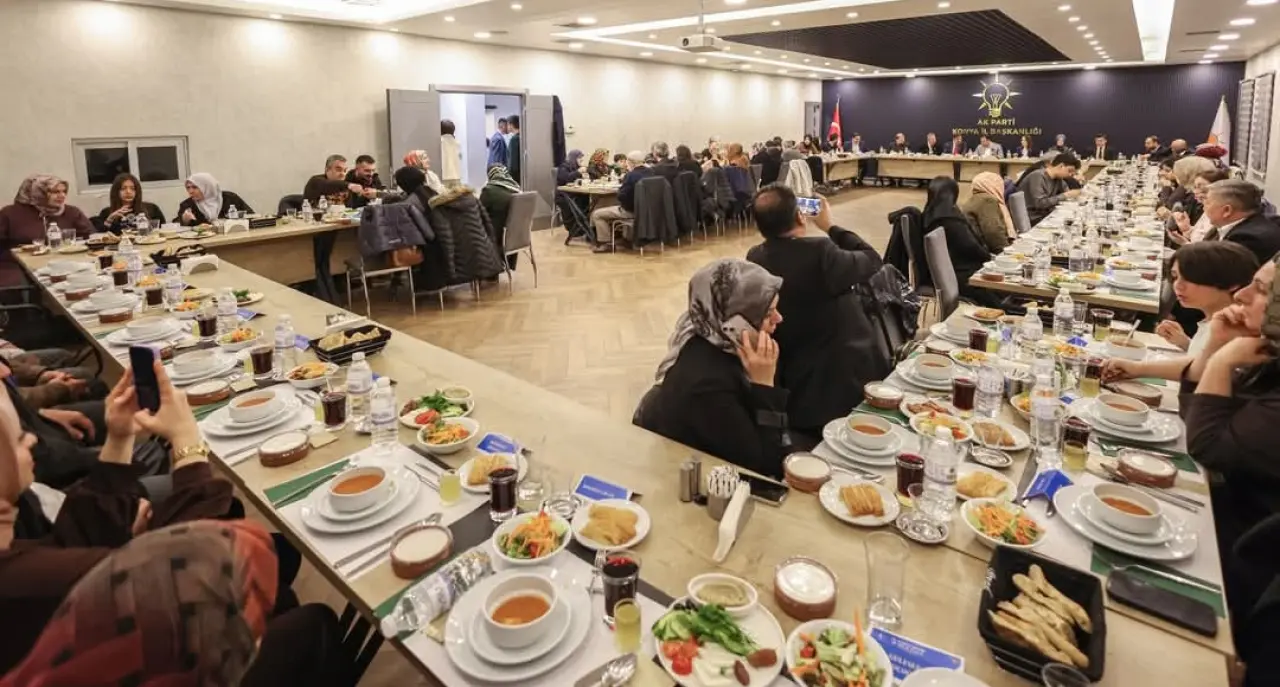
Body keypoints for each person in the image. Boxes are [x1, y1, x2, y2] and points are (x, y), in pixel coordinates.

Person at [0, 364, 238, 673]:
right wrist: (187, 442)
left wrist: (120, 437)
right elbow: (204, 570)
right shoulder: (24, 584)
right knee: (299, 616)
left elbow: (67, 542)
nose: (32, 439)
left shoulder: (18, 545)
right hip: (177, 656)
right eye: (18, 438)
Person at [745, 187, 884, 437]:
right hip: (842, 379)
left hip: (793, 380)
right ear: (800, 216)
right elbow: (872, 259)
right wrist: (830, 226)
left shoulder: (755, 258)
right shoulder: (822, 252)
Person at [633, 259, 790, 478]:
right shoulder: (707, 386)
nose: (779, 319)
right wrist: (765, 386)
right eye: (767, 314)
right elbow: (768, 465)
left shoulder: (723, 343)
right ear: (734, 323)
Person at [1104, 244, 1257, 376]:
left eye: (1191, 278)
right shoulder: (1212, 319)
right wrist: (1186, 343)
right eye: (1175, 277)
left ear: (1232, 284)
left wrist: (1138, 369)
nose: (1178, 285)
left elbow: (1200, 373)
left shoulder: (1235, 330)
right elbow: (1200, 361)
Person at [0, 175, 92, 287]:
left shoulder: (71, 212)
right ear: (37, 193)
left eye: (64, 191)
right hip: (17, 267)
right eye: (55, 192)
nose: (62, 195)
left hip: (65, 264)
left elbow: (91, 237)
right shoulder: (10, 213)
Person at [922, 176, 998, 306]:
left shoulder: (928, 215)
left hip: (945, 275)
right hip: (965, 277)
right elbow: (973, 248)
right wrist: (991, 257)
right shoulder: (951, 220)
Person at [1201, 179, 1280, 264]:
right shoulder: (1232, 224)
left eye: (1207, 203)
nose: (1203, 207)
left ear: (1227, 210)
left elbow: (1211, 269)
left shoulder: (1246, 240)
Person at [590, 151, 652, 253]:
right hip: (648, 211)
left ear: (631, 162)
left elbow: (621, 196)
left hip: (631, 211)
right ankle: (627, 239)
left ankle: (606, 244)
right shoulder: (651, 172)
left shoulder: (631, 175)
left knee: (597, 214)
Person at [1016, 153, 1081, 225]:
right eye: (1069, 171)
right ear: (1061, 166)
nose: (1070, 175)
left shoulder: (1058, 179)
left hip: (1045, 216)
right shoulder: (1038, 176)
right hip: (1032, 218)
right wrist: (1066, 195)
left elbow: (1068, 194)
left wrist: (1074, 194)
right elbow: (1040, 203)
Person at [1171, 169, 1232, 244]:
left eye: (1201, 187)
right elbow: (1200, 237)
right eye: (1195, 187)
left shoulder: (1219, 212)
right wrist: (1187, 229)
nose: (1195, 191)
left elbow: (1206, 248)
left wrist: (1184, 243)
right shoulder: (1205, 207)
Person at [92, 173, 165, 234]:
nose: (128, 192)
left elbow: (163, 231)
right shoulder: (107, 212)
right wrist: (109, 220)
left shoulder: (151, 208)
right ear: (116, 192)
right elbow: (100, 238)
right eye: (123, 188)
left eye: (132, 188)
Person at [480, 164, 522, 267]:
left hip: (496, 238)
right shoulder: (516, 189)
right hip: (516, 238)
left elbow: (479, 213)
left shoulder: (489, 191)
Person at [963, 171, 1015, 252]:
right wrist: (1010, 253)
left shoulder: (974, 199)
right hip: (986, 253)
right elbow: (994, 234)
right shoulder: (987, 201)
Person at [175, 173, 253, 226]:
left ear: (208, 186)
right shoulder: (187, 204)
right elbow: (178, 224)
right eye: (188, 187)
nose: (190, 191)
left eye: (195, 187)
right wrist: (185, 219)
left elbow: (251, 215)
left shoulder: (230, 198)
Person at [440, 119, 463, 188]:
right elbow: (460, 158)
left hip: (444, 176)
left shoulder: (439, 142)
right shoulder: (457, 143)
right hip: (456, 175)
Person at [507, 114, 522, 184]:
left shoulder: (514, 139)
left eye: (508, 124)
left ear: (511, 125)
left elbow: (513, 162)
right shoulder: (522, 137)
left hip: (515, 176)